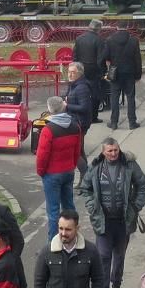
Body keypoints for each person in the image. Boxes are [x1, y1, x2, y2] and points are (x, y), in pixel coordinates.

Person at [84, 138, 145, 288]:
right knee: (104, 257)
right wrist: (92, 207)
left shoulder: (129, 165)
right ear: (103, 152)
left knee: (119, 256)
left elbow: (143, 186)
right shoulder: (96, 167)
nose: (113, 154)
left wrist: (135, 207)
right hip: (103, 223)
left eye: (115, 150)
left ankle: (116, 286)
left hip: (123, 222)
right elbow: (84, 189)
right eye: (109, 151)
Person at [36, 96, 81, 238]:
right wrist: (72, 166)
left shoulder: (48, 130)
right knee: (69, 206)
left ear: (50, 109)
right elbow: (77, 150)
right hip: (68, 170)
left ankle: (53, 244)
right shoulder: (75, 126)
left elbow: (42, 155)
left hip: (52, 174)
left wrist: (41, 171)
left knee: (53, 211)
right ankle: (73, 236)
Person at [103, 27, 142, 130]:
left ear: (117, 28)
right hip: (129, 72)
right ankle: (132, 122)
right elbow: (137, 58)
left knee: (115, 97)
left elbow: (105, 56)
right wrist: (138, 75)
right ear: (127, 28)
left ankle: (114, 122)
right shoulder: (133, 40)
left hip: (115, 73)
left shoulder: (110, 40)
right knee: (130, 97)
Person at [64, 62, 95, 188]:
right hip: (75, 121)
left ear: (79, 73)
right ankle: (86, 180)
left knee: (75, 152)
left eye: (73, 72)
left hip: (79, 123)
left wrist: (66, 106)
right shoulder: (73, 85)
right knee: (79, 150)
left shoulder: (82, 87)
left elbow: (84, 107)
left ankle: (87, 175)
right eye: (69, 72)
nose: (70, 74)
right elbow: (69, 98)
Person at [72, 20, 106, 121]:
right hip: (94, 70)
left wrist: (76, 67)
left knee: (81, 92)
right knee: (95, 94)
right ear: (98, 29)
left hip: (81, 69)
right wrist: (103, 71)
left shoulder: (79, 38)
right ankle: (93, 117)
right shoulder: (99, 40)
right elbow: (101, 58)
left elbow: (75, 55)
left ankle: (81, 114)